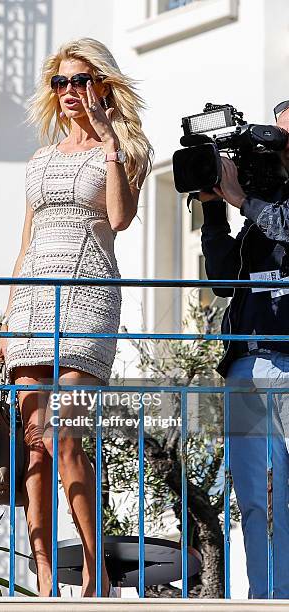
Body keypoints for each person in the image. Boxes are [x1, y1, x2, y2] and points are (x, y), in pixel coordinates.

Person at [0, 38, 154, 597]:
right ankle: (41, 572)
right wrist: (8, 317)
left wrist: (108, 141)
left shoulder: (126, 150)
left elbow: (120, 217)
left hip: (88, 297)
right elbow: (26, 241)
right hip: (33, 301)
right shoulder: (41, 158)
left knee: (67, 436)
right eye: (60, 82)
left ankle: (95, 571)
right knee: (34, 440)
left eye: (80, 81)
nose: (68, 92)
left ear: (102, 86)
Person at [199, 103, 289, 598]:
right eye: (278, 137)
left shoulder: (266, 206)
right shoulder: (261, 202)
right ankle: (264, 597)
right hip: (247, 361)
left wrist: (240, 197)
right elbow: (222, 280)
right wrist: (214, 207)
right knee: (254, 496)